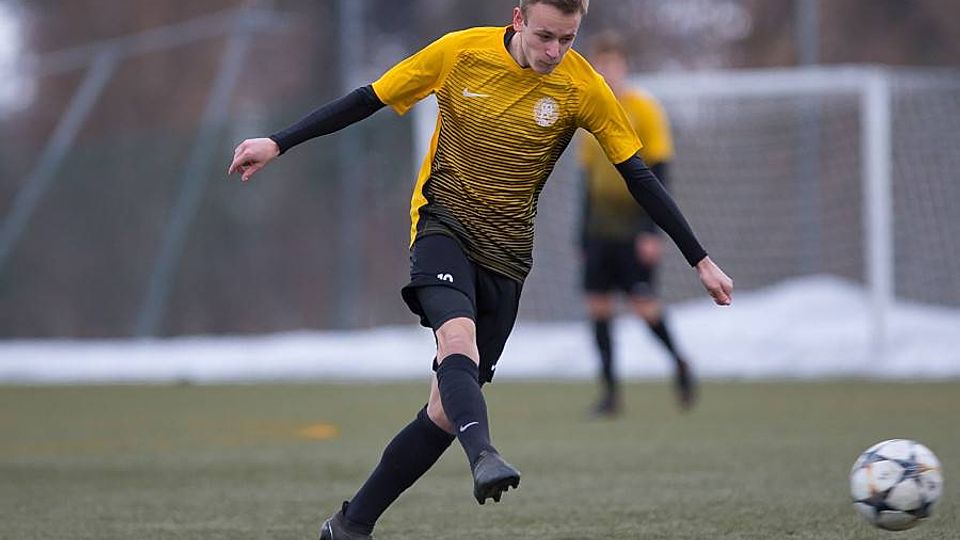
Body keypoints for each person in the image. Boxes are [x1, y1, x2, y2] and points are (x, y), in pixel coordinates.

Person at [228, 1, 733, 538]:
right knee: (457, 343)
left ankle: (350, 525)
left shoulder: (583, 87)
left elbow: (639, 175)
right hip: (441, 226)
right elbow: (367, 99)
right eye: (544, 36)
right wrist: (278, 141)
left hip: (507, 257)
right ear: (518, 19)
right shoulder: (460, 53)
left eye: (567, 39)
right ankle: (484, 454)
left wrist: (699, 259)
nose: (555, 51)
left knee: (444, 412)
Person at [577, 31, 694, 416]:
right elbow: (586, 181)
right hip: (600, 230)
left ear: (624, 67)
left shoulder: (644, 109)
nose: (607, 72)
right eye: (600, 65)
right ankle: (610, 393)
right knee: (598, 308)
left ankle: (679, 362)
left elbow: (659, 174)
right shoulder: (588, 113)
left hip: (634, 229)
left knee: (644, 306)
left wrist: (650, 231)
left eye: (613, 64)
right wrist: (581, 235)